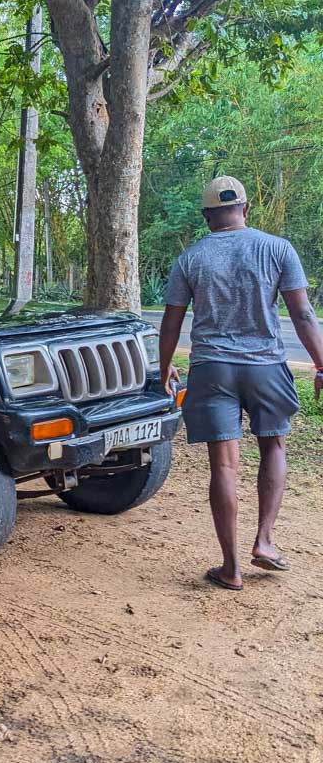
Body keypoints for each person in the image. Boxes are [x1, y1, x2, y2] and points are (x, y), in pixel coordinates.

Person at [158, 176, 323, 591]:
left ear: (206, 216)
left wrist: (164, 368)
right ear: (245, 210)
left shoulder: (191, 258)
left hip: (213, 368)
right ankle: (264, 541)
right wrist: (321, 365)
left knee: (224, 465)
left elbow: (171, 322)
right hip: (265, 365)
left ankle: (230, 569)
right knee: (273, 445)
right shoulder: (277, 248)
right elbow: (303, 316)